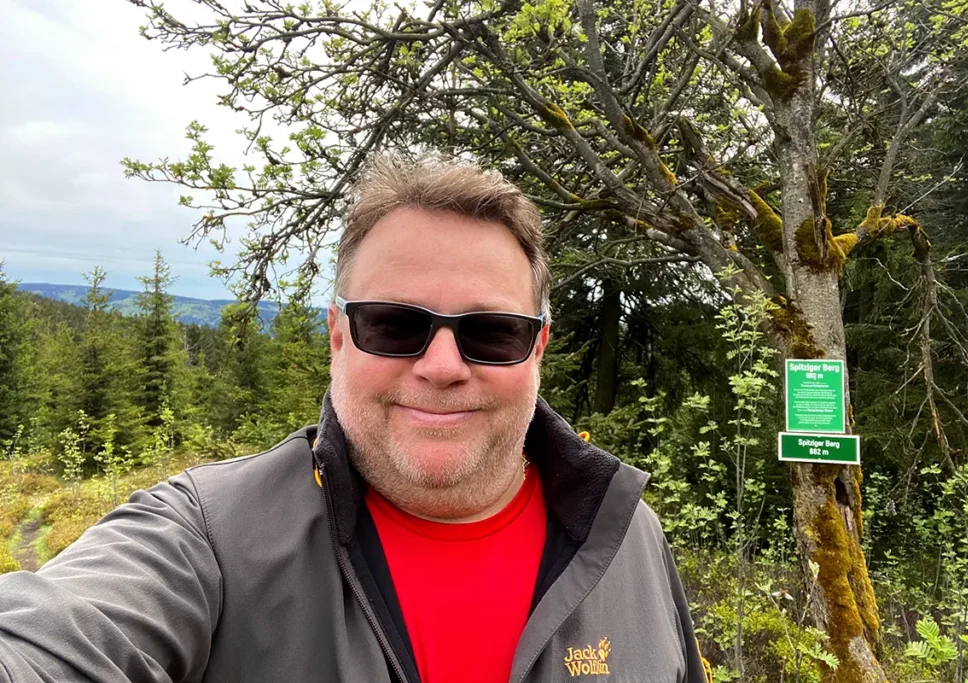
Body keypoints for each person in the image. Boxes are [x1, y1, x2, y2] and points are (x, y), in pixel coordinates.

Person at [0, 154, 709, 683]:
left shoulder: (625, 536)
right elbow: (48, 637)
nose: (441, 365)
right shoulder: (208, 538)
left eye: (491, 331)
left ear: (537, 348)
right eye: (394, 324)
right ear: (338, 335)